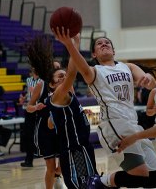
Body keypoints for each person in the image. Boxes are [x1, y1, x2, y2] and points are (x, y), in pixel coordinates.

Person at [60, 33, 156, 188]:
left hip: (134, 125)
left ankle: (104, 183)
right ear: (94, 54)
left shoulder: (127, 66)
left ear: (114, 51)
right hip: (114, 124)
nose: (104, 44)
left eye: (107, 42)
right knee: (140, 175)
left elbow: (148, 82)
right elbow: (77, 64)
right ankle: (96, 182)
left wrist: (148, 78)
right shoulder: (94, 71)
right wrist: (72, 44)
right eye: (99, 43)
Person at [27, 32, 98, 188]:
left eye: (63, 74)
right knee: (72, 178)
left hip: (79, 143)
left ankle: (61, 174)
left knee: (88, 180)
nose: (63, 77)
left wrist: (81, 112)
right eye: (59, 75)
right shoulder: (56, 91)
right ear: (51, 83)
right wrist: (74, 44)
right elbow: (73, 70)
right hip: (67, 142)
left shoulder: (67, 90)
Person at [25, 45, 62, 189]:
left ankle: (58, 174)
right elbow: (29, 107)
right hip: (45, 130)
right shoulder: (41, 85)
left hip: (61, 127)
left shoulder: (65, 85)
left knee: (64, 163)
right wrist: (35, 107)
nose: (58, 71)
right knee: (50, 167)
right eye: (54, 69)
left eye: (59, 68)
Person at [20, 68, 41, 167]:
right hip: (30, 109)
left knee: (39, 133)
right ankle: (29, 159)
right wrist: (23, 98)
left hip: (39, 109)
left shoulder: (42, 81)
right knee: (28, 135)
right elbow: (25, 93)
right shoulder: (28, 80)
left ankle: (41, 153)